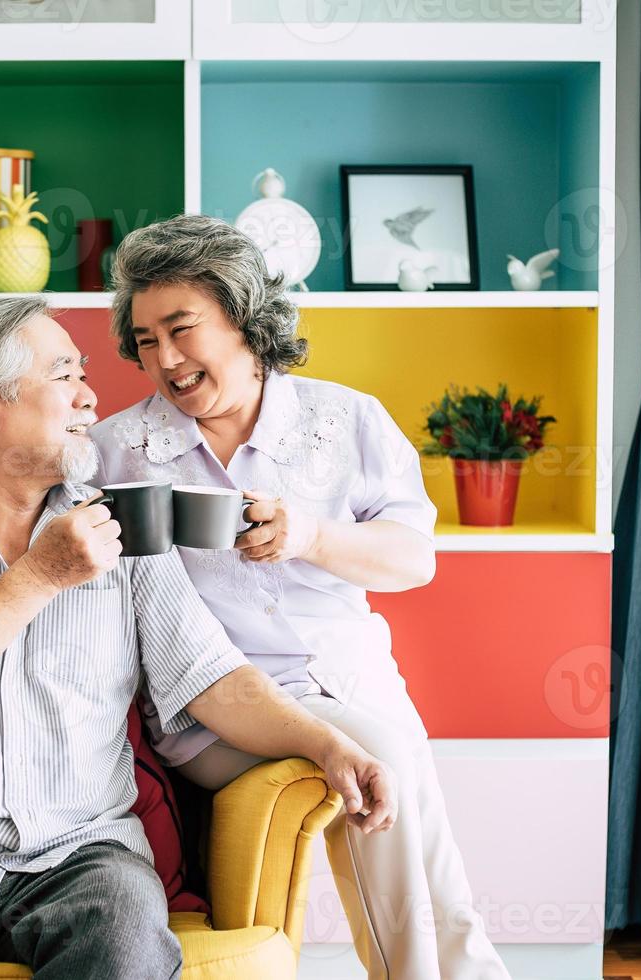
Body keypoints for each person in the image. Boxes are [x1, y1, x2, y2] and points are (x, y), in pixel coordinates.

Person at [0, 296, 399, 980]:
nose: (91, 397)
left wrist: (325, 742)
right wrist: (40, 575)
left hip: (80, 855)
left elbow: (214, 680)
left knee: (125, 943)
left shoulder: (127, 528)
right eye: (64, 375)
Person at [92, 215, 512, 980]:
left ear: (244, 315)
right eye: (146, 339)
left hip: (354, 682)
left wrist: (310, 536)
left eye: (181, 328)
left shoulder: (345, 418)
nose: (164, 359)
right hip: (214, 713)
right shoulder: (115, 452)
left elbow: (412, 560)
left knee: (411, 802)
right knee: (380, 754)